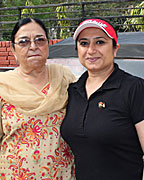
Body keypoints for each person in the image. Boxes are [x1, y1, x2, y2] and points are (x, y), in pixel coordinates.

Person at [60, 18, 144, 180]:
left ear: (115, 49)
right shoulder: (73, 91)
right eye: (84, 43)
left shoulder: (135, 89)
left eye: (100, 42)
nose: (91, 50)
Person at [0, 18, 75, 179]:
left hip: (61, 175)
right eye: (24, 42)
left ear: (47, 45)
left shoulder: (65, 79)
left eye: (39, 40)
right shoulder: (3, 86)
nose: (33, 46)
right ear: (13, 49)